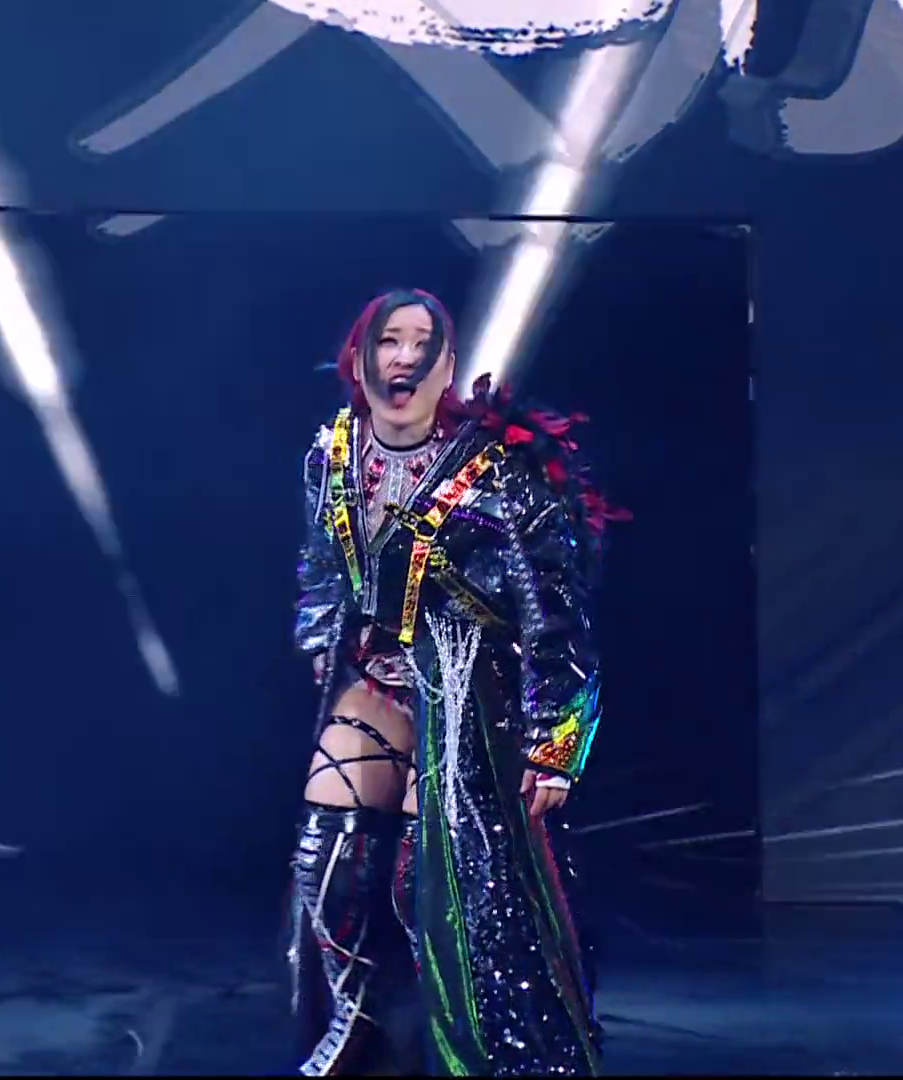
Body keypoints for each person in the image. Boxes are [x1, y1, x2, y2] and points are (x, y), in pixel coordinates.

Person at [287, 287, 624, 1076]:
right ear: (360, 360)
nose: (404, 357)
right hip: (378, 677)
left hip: (476, 693)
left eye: (422, 344)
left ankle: (462, 1045)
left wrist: (556, 740)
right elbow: (322, 565)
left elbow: (555, 609)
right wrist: (322, 642)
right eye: (389, 341)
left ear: (446, 368)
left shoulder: (496, 469)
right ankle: (359, 1021)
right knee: (328, 857)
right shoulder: (332, 454)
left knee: (439, 881)